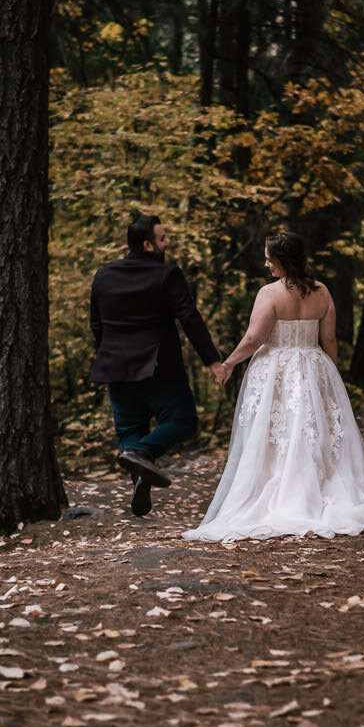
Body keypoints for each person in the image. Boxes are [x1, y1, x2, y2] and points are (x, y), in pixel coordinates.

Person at [183, 232, 364, 541]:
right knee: (311, 433)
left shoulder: (269, 294)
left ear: (283, 260)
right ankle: (315, 490)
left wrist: (228, 363)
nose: (266, 263)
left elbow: (254, 339)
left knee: (276, 437)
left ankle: (285, 493)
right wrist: (331, 375)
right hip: (313, 366)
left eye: (270, 258)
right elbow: (329, 340)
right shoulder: (322, 292)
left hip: (276, 370)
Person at [90, 215, 228, 517]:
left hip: (115, 366)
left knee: (129, 428)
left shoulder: (103, 275)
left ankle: (139, 473)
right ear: (148, 245)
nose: (168, 243)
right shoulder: (167, 274)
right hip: (157, 365)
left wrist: (109, 352)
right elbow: (189, 317)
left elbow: (96, 324)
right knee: (184, 420)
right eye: (163, 239)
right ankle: (143, 454)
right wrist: (213, 360)